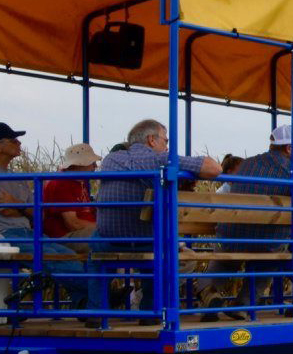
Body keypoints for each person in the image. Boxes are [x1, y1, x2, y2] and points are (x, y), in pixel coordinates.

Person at [208, 125, 293, 321]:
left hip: (231, 235)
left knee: (230, 250)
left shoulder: (247, 164)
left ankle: (208, 293)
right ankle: (243, 303)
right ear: (289, 149)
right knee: (275, 253)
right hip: (267, 243)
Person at [97, 119, 221, 324]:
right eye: (165, 140)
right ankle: (153, 309)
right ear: (151, 140)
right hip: (145, 239)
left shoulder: (110, 160)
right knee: (171, 254)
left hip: (108, 238)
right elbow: (214, 169)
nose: (167, 146)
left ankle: (96, 310)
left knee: (97, 251)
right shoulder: (160, 160)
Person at [0, 124, 88, 318]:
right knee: (60, 260)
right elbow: (7, 210)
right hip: (7, 236)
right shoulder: (22, 179)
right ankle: (98, 297)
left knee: (68, 255)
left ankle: (86, 301)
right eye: (13, 140)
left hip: (29, 233)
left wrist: (17, 206)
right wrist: (24, 209)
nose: (19, 143)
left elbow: (38, 213)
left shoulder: (18, 178)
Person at [42, 143, 102, 254]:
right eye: (92, 163)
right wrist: (104, 226)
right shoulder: (62, 183)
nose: (95, 166)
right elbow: (73, 224)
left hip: (78, 233)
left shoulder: (78, 181)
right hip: (64, 237)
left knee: (113, 236)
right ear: (79, 164)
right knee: (109, 237)